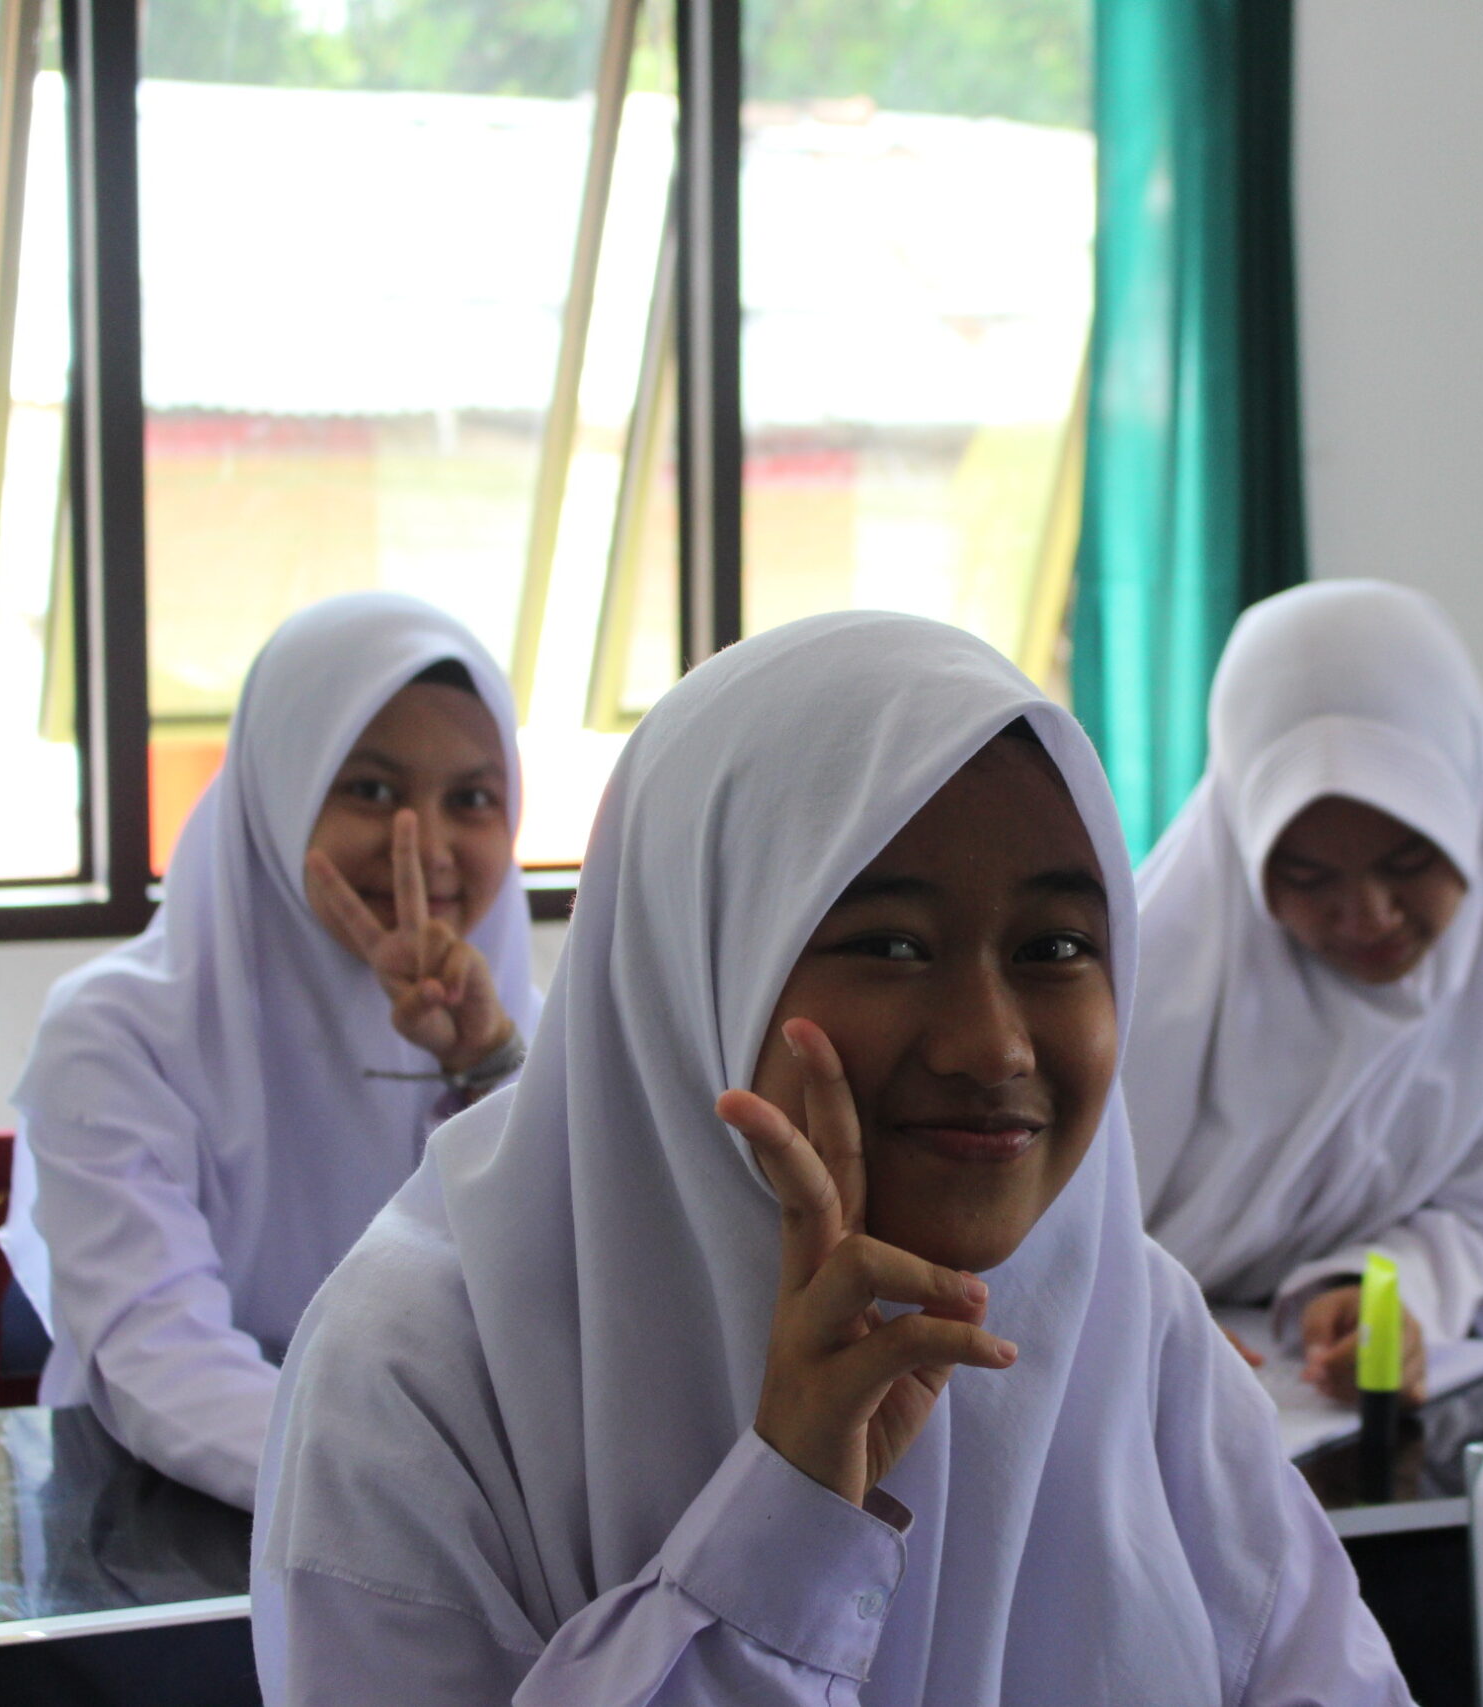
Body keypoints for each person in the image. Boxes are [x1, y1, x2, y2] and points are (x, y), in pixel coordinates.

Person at [250, 611, 1412, 1705]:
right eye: (891, 945)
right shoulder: (418, 1373)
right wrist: (789, 1509)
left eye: (1057, 947)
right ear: (699, 961)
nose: (992, 1047)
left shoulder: (1132, 1321)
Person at [1, 592, 540, 1510]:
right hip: (164, 1523)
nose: (424, 846)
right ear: (277, 790)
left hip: (445, 1523)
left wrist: (487, 1069)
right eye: (371, 790)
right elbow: (158, 1359)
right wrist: (400, 1505)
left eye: (472, 799)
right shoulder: (116, 1034)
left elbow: (567, 1319)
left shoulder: (518, 1031)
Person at [1127, 580, 1483, 1402]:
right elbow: (1037, 1235)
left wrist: (1380, 1288)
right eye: (1307, 875)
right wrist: (1136, 1316)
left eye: (1410, 859)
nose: (1369, 915)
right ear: (1247, 841)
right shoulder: (1153, 960)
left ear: (1467, 807)